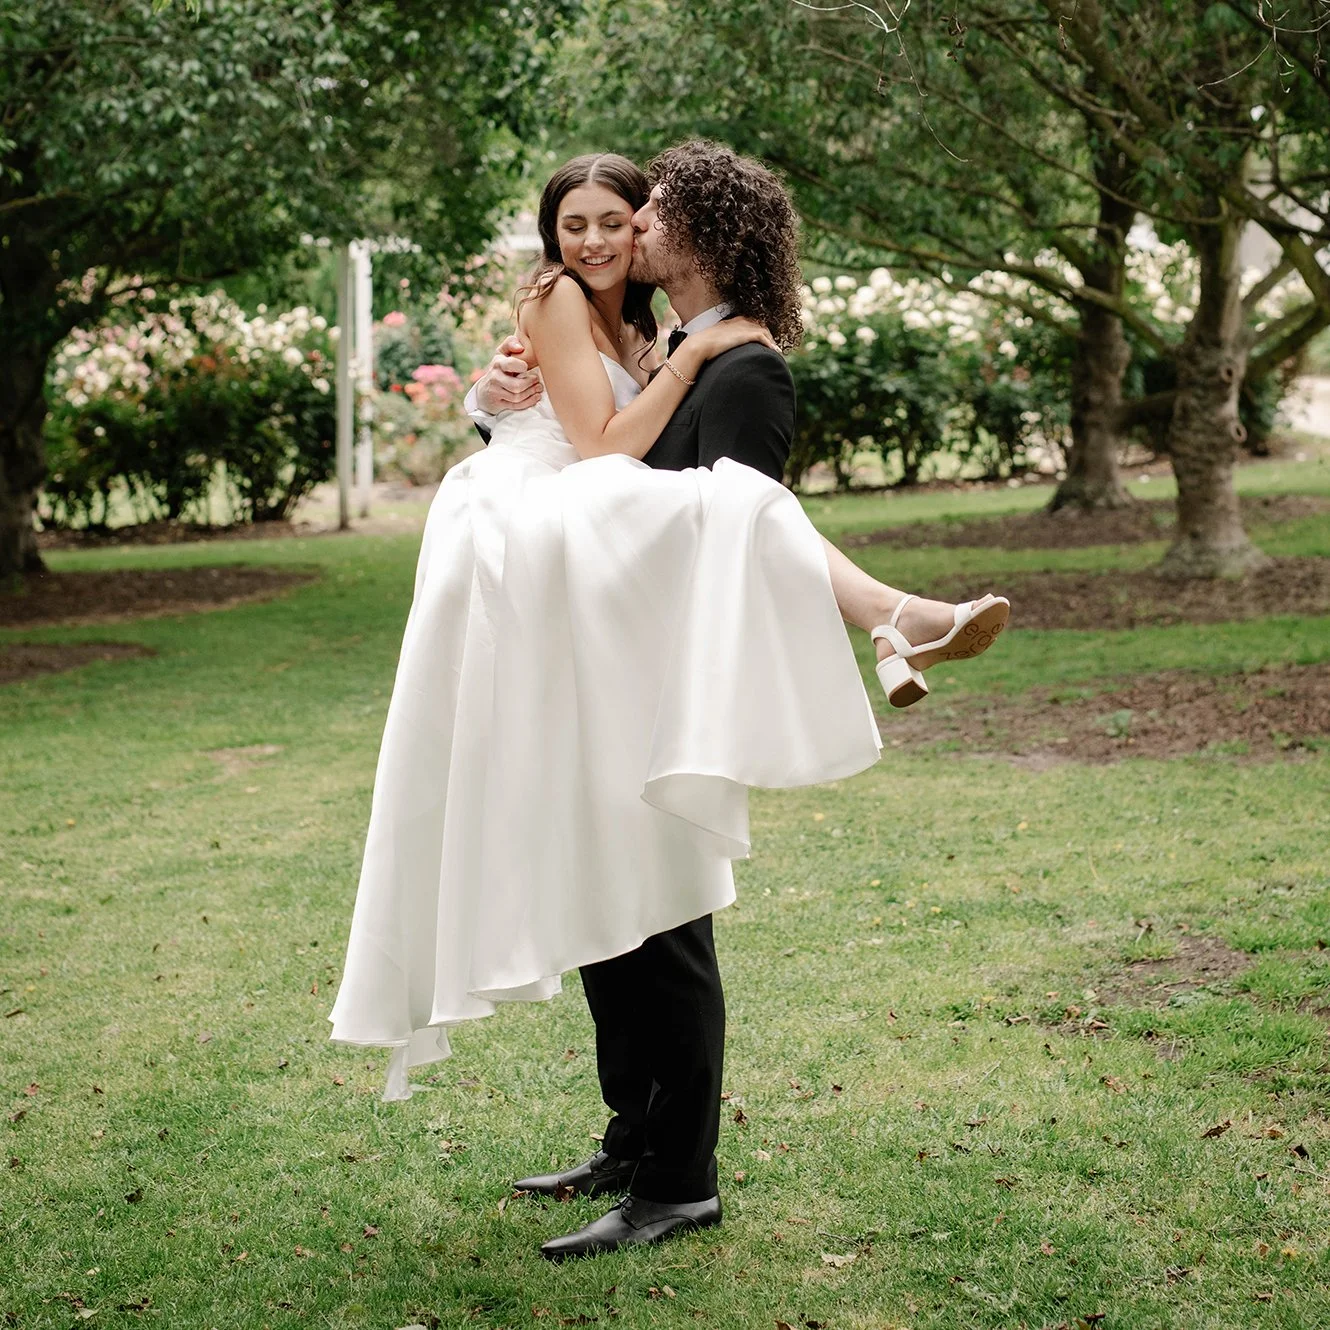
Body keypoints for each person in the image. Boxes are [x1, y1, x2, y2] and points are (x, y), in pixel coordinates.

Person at [330, 144, 1008, 1262]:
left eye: (621, 220)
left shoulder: (689, 347)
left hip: (604, 610)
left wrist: (673, 358)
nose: (601, 240)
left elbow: (677, 486)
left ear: (657, 230)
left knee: (654, 910)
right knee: (615, 900)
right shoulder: (603, 318)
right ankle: (894, 615)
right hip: (544, 577)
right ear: (551, 234)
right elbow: (596, 446)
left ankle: (672, 1175)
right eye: (578, 223)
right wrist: (523, 401)